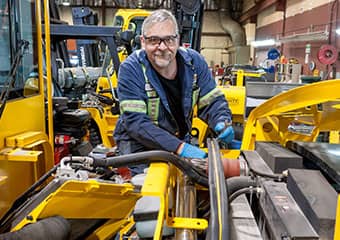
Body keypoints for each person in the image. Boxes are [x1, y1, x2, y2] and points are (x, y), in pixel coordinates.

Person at [114, 9, 234, 175]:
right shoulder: (131, 68)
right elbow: (136, 122)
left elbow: (211, 100)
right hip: (140, 148)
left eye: (169, 40)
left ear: (178, 40)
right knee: (151, 193)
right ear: (143, 41)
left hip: (178, 139)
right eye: (153, 40)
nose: (162, 47)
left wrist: (221, 121)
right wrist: (180, 148)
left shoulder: (194, 62)